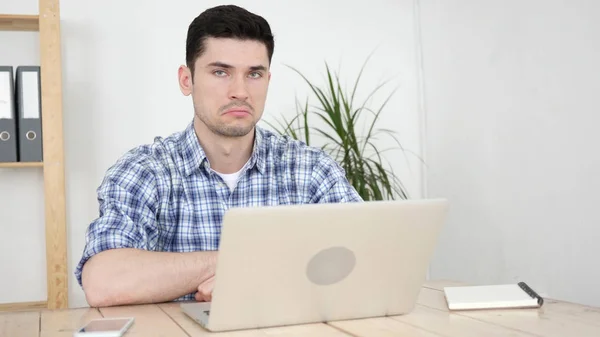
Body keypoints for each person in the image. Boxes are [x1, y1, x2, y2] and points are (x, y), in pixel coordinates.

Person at [75, 4, 362, 308]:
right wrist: (231, 264)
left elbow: (367, 259)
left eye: (254, 73)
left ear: (267, 80)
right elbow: (103, 283)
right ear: (187, 80)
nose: (239, 91)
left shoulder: (312, 170)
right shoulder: (145, 171)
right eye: (221, 72)